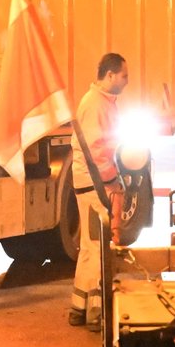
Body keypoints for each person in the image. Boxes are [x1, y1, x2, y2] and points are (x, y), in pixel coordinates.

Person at [68, 52, 128, 330]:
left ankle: (78, 308)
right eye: (124, 76)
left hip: (89, 182)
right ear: (110, 75)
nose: (126, 82)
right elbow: (97, 151)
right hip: (95, 183)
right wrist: (112, 179)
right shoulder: (96, 105)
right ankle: (95, 311)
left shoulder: (100, 102)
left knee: (89, 248)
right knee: (97, 246)